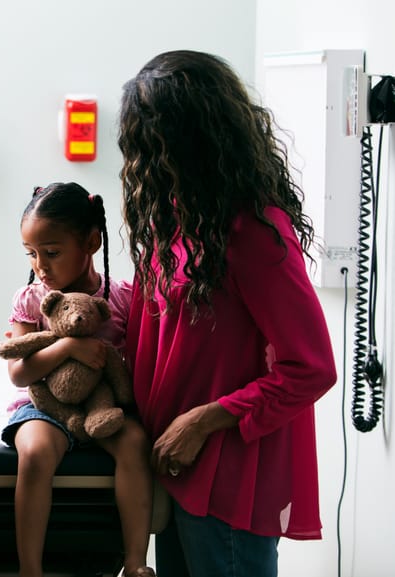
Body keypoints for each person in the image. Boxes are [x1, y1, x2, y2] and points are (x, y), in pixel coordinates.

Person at [117, 50, 338, 577]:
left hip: (227, 475)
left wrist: (204, 420)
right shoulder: (176, 219)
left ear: (195, 139)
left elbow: (311, 368)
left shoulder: (253, 234)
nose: (145, 158)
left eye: (154, 140)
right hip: (174, 465)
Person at [0, 182, 156, 577]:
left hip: (100, 407)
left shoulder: (120, 298)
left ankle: (135, 563)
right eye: (32, 254)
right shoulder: (31, 299)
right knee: (35, 453)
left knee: (135, 442)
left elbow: (136, 366)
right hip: (45, 408)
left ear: (91, 242)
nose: (41, 265)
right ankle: (30, 570)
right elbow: (19, 373)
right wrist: (68, 348)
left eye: (52, 253)